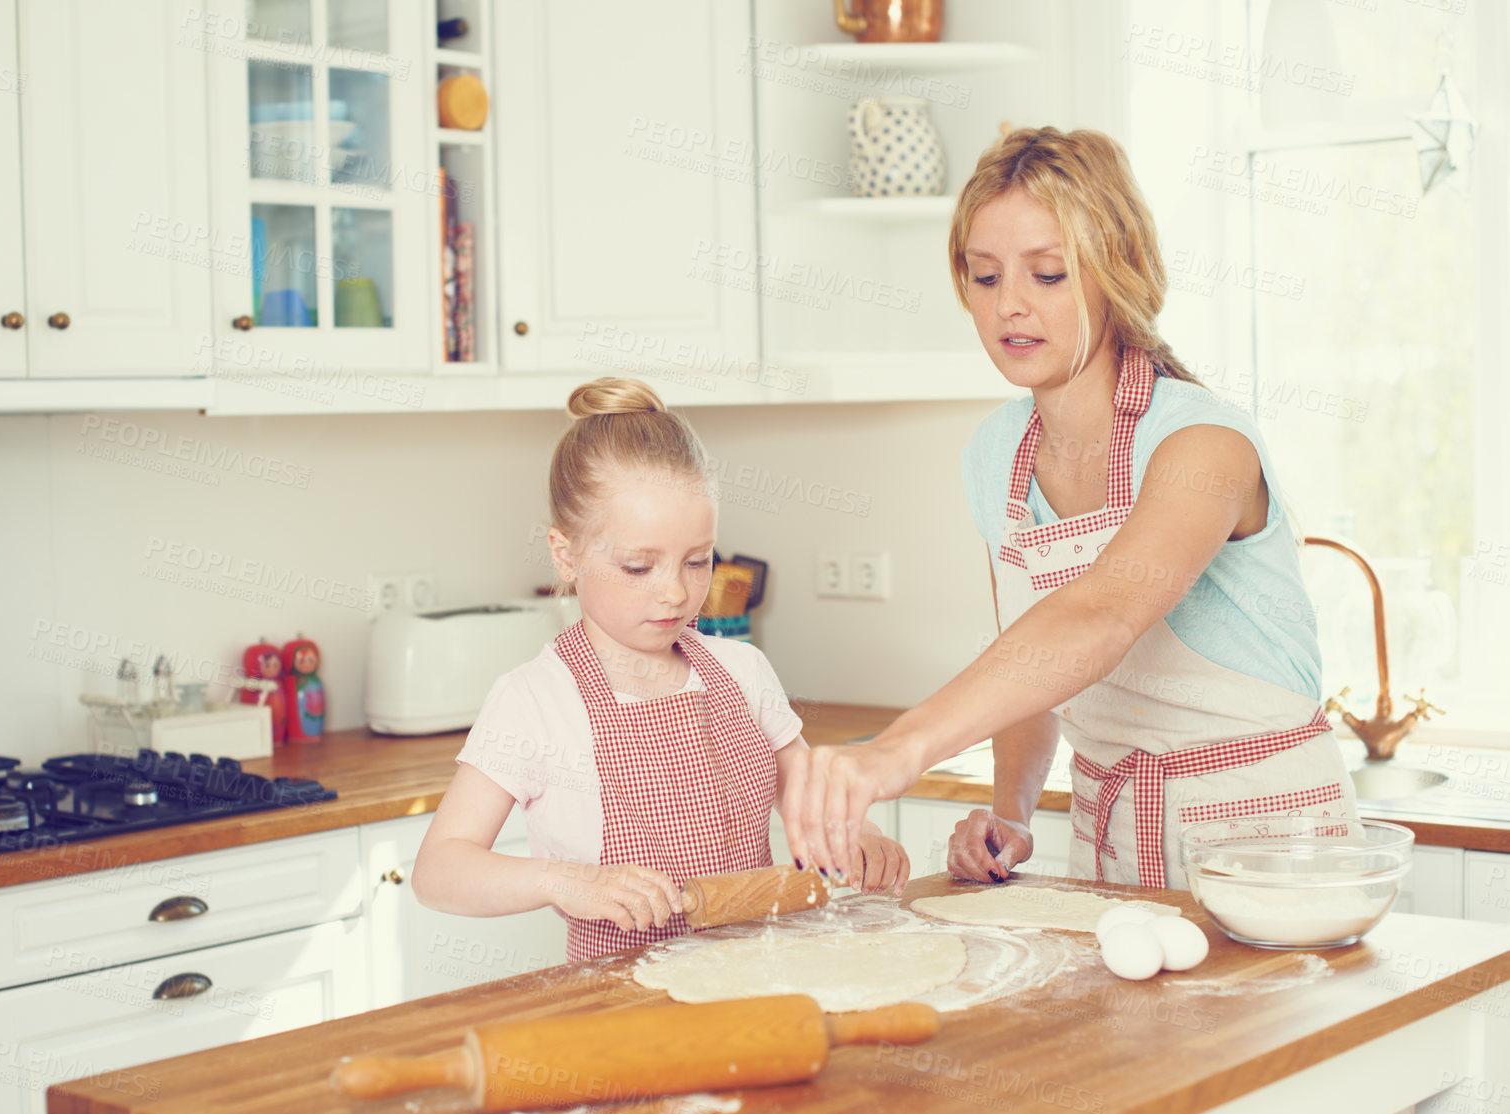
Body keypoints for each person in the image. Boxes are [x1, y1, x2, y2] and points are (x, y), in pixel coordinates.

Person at [779, 128, 1356, 891]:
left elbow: (1100, 615)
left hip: (1268, 835)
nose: (1009, 306)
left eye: (1046, 274)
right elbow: (1035, 658)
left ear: (1114, 270)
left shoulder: (1204, 443)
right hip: (1113, 833)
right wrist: (1009, 810)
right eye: (983, 278)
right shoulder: (995, 454)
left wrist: (897, 748)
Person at [412, 377, 910, 961]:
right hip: (618, 1010)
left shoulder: (741, 671)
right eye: (638, 566)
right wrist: (564, 882)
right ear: (566, 554)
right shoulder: (535, 699)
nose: (674, 592)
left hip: (758, 979)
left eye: (698, 561)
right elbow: (439, 870)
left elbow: (812, 807)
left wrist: (863, 838)